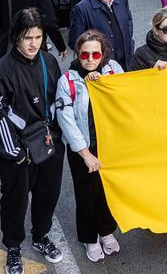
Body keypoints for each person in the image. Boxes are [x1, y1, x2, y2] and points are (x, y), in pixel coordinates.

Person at [0, 8, 65, 273]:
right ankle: (13, 245)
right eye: (27, 37)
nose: (33, 44)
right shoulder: (0, 71)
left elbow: (59, 99)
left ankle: (41, 236)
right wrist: (15, 153)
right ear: (16, 36)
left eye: (38, 37)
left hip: (48, 144)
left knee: (47, 194)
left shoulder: (48, 61)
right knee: (15, 200)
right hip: (16, 152)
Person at [55, 30, 122, 263]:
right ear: (78, 54)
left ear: (103, 55)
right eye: (85, 55)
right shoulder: (68, 81)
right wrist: (85, 154)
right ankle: (89, 237)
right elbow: (66, 121)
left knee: (106, 191)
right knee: (86, 194)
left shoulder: (113, 70)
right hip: (83, 149)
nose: (91, 59)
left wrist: (105, 83)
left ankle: (106, 230)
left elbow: (126, 98)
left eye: (96, 54)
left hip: (109, 146)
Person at [69, 0, 134, 68]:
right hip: (100, 68)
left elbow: (128, 22)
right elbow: (75, 42)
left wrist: (128, 40)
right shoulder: (82, 9)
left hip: (125, 63)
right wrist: (94, 58)